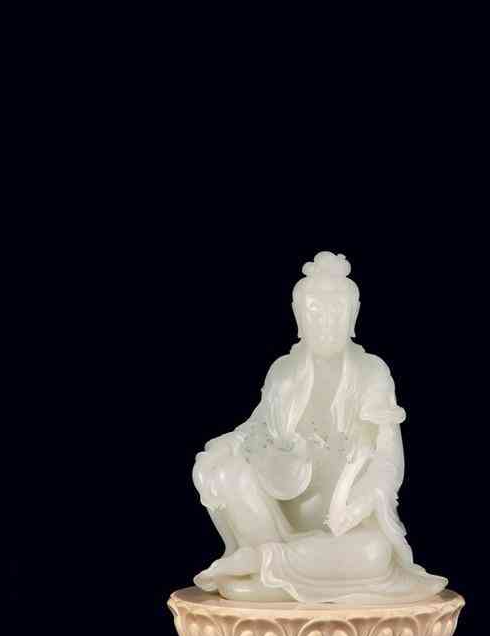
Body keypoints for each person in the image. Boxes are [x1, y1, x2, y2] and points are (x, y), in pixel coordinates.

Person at [192, 251, 447, 603]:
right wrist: (225, 446)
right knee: (225, 472)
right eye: (315, 312)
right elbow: (254, 430)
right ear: (299, 317)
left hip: (343, 531)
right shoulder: (284, 374)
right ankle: (269, 559)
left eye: (336, 312)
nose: (326, 323)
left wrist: (361, 502)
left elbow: (389, 460)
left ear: (353, 315)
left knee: (374, 553)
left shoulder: (372, 373)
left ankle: (261, 564)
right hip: (281, 515)